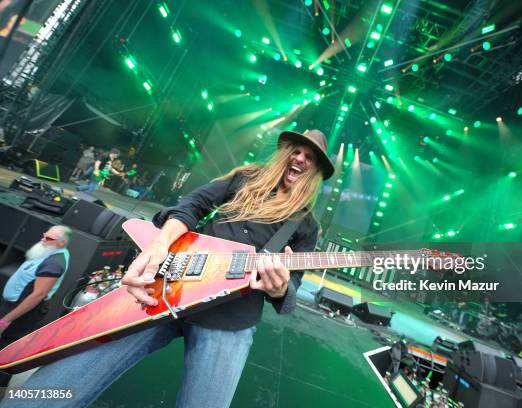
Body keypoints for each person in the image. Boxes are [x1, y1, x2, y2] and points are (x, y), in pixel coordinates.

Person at [2, 130, 335, 408]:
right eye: (297, 150)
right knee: (54, 386)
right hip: (165, 288)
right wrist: (160, 247)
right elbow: (191, 205)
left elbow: (288, 293)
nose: (301, 159)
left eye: (310, 157)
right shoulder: (244, 178)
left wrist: (279, 288)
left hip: (230, 321)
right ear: (285, 153)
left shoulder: (305, 224)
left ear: (316, 171)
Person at [0, 226, 71, 391]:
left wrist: (5, 321)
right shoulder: (49, 252)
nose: (43, 239)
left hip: (23, 313)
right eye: (45, 235)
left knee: (6, 351)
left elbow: (37, 296)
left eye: (49, 239)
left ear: (62, 243)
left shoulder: (54, 263)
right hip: (15, 306)